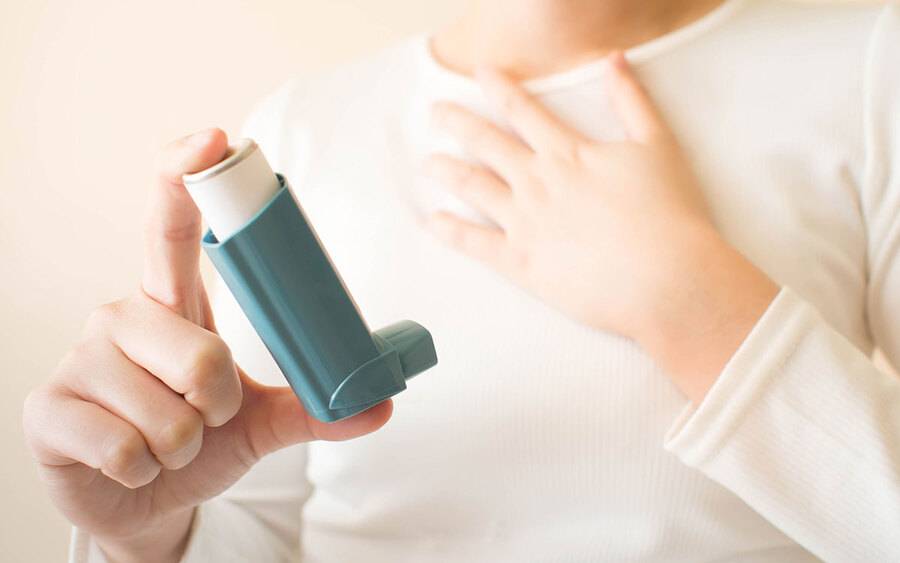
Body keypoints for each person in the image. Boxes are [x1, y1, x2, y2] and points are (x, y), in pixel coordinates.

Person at [22, 0, 900, 561]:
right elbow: (264, 535)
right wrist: (150, 538)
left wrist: (691, 303)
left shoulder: (869, 66)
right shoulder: (303, 127)